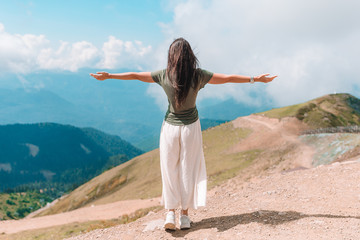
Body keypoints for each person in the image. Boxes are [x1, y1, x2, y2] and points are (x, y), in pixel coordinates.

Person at [90, 37, 277, 231]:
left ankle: (170, 212)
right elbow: (228, 78)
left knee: (169, 169)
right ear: (190, 56)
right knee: (188, 170)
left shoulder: (164, 75)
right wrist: (255, 79)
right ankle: (185, 216)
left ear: (171, 56)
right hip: (191, 129)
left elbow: (136, 75)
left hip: (170, 128)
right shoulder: (198, 75)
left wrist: (110, 75)